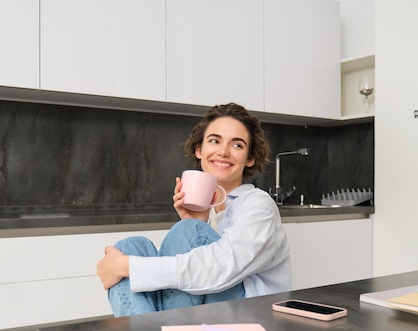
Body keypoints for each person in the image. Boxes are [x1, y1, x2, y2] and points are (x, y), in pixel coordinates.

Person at [96, 103, 291, 318]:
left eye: (237, 145)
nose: (223, 152)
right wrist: (200, 221)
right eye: (214, 141)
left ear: (250, 158)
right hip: (214, 307)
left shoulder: (258, 204)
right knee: (131, 247)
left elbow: (221, 269)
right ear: (199, 150)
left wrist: (130, 267)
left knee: (183, 234)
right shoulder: (215, 210)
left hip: (251, 314)